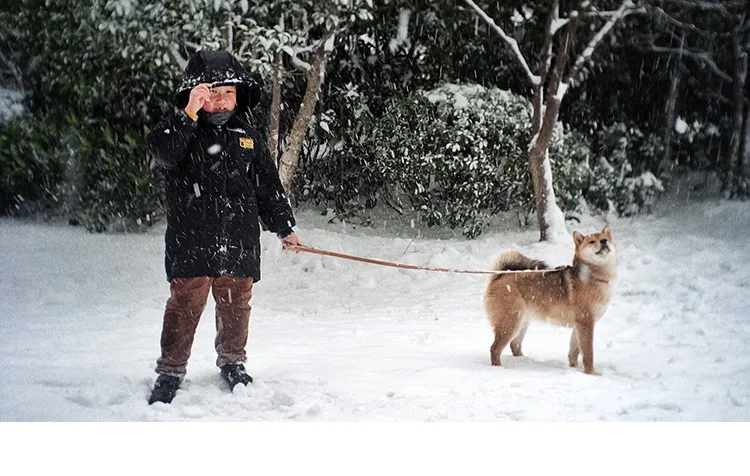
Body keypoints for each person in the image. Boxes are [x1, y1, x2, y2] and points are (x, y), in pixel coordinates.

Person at [145, 50, 300, 405]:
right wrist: (187, 115)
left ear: (238, 94)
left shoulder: (246, 133)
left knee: (236, 305)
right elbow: (164, 152)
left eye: (228, 92)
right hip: (192, 239)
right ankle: (170, 370)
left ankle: (233, 361)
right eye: (211, 93)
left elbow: (267, 184)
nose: (221, 100)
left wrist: (284, 226)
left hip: (238, 239)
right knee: (184, 306)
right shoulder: (181, 127)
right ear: (195, 94)